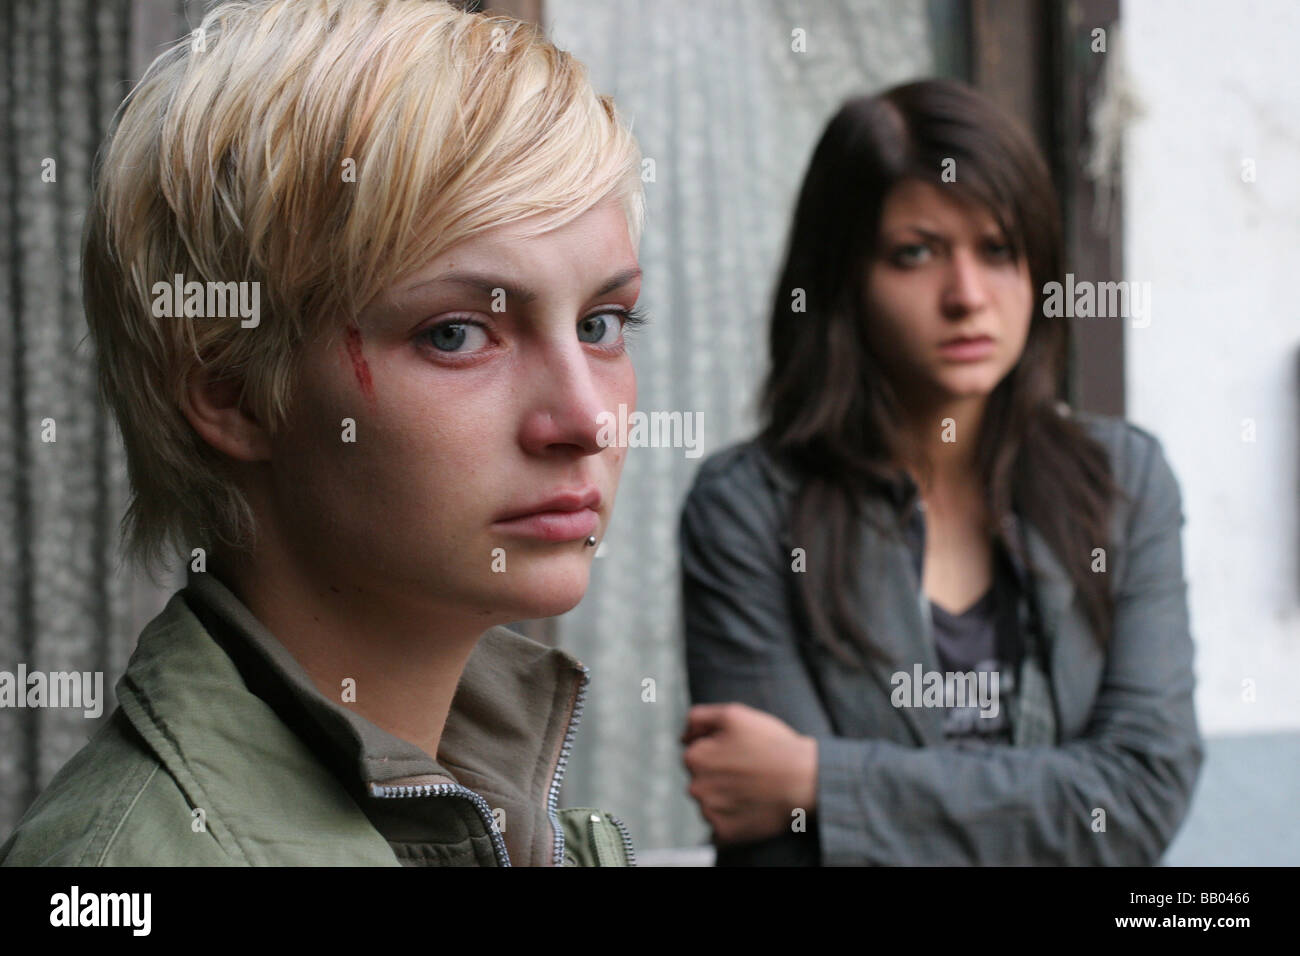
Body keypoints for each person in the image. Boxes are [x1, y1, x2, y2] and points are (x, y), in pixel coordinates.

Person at [0, 0, 644, 867]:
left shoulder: (507, 810)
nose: (585, 420)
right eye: (454, 333)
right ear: (231, 392)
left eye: (602, 323)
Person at [679, 78, 1203, 865]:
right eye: (916, 253)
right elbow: (777, 844)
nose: (967, 297)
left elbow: (1137, 800)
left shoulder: (1124, 481)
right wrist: (1049, 796)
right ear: (842, 280)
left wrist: (826, 780)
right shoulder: (749, 509)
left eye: (998, 251)